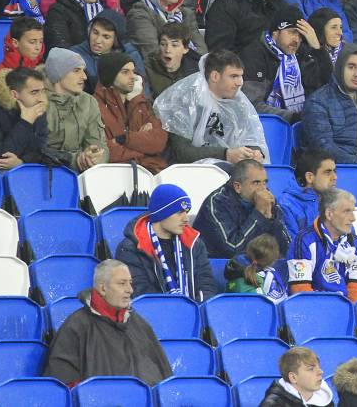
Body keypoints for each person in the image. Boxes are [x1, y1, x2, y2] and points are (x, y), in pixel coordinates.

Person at [42, 258, 172, 388]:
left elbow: (166, 381)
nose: (130, 290)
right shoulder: (75, 326)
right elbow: (63, 383)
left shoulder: (141, 325)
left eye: (130, 283)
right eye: (122, 283)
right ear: (103, 288)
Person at [153, 51, 269, 164]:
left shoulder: (238, 103)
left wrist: (254, 152)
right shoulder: (185, 100)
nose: (240, 82)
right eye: (234, 76)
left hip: (226, 167)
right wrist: (226, 154)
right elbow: (182, 152)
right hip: (188, 171)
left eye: (240, 76)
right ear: (215, 76)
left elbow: (249, 137)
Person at [116, 183, 222, 300]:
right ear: (161, 213)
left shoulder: (194, 244)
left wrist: (197, 305)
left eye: (186, 212)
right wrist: (173, 307)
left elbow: (206, 284)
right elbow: (140, 292)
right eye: (179, 212)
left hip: (193, 308)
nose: (186, 219)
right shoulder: (132, 248)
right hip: (155, 309)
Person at [194, 158, 290, 261]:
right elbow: (233, 250)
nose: (263, 189)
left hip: (257, 264)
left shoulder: (267, 200)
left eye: (265, 182)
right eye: (256, 183)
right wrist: (259, 214)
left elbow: (285, 247)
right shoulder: (217, 202)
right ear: (238, 186)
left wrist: (271, 218)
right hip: (217, 264)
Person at [93, 51, 168, 173]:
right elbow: (106, 152)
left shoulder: (139, 102)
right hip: (116, 174)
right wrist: (144, 147)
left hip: (152, 171)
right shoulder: (95, 106)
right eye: (125, 72)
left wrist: (123, 139)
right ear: (110, 75)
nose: (133, 76)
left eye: (133, 71)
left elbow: (159, 142)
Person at [288, 188, 357, 301]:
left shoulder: (355, 243)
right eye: (346, 211)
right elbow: (300, 291)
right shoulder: (304, 240)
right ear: (329, 214)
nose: (353, 218)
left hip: (343, 307)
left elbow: (355, 288)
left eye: (352, 211)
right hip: (314, 306)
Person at [41, 48, 108, 173]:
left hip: (81, 174)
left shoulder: (88, 102)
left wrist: (95, 157)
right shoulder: (37, 100)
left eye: (83, 70)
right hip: (41, 172)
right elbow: (35, 150)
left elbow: (99, 143)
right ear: (58, 74)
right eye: (76, 70)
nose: (84, 76)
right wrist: (75, 160)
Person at [276, 148, 339, 244]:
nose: (335, 177)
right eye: (327, 172)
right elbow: (293, 247)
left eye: (335, 171)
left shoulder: (335, 202)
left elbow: (350, 241)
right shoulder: (286, 205)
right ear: (310, 177)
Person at [255, 347, 334, 407]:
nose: (320, 372)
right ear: (293, 377)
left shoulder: (325, 401)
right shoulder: (273, 404)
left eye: (319, 367)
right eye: (311, 369)